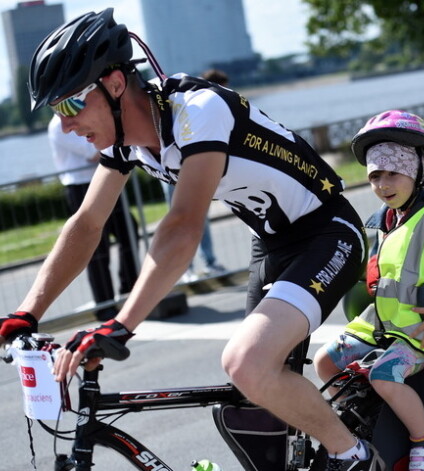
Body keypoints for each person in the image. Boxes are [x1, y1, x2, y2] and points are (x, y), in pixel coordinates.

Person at [0, 9, 382, 471]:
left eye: (70, 105)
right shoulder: (126, 143)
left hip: (328, 232)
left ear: (115, 84)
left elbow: (182, 224)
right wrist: (27, 313)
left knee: (246, 363)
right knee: (253, 398)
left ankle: (356, 456)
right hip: (273, 243)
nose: (64, 125)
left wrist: (121, 325)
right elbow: (86, 225)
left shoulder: (197, 112)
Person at [314, 110, 424, 470]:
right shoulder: (381, 222)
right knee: (325, 362)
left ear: (415, 173)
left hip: (421, 328)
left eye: (393, 173)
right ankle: (354, 427)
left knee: (384, 375)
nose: (382, 184)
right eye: (375, 176)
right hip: (381, 323)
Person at [48, 114, 139, 320]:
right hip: (80, 186)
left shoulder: (80, 119)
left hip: (103, 183)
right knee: (98, 249)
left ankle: (129, 287)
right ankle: (105, 304)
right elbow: (93, 152)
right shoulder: (58, 126)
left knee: (129, 231)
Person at [160, 69, 231, 283]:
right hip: (175, 173)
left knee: (199, 219)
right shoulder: (193, 109)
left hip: (189, 173)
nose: (229, 92)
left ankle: (207, 263)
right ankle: (186, 269)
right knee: (180, 219)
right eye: (225, 88)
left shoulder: (200, 108)